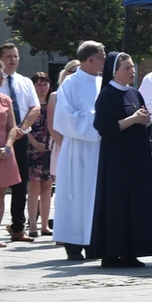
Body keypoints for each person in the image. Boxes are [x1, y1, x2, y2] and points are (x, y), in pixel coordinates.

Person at [89, 52, 152, 268]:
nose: (132, 71)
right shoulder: (107, 95)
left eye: (132, 67)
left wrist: (144, 120)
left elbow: (142, 117)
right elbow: (104, 127)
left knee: (135, 204)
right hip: (117, 159)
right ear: (115, 71)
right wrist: (133, 119)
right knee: (117, 204)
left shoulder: (134, 93)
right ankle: (111, 253)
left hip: (136, 156)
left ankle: (131, 251)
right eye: (127, 68)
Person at [52, 41, 104, 261]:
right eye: (102, 56)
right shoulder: (70, 84)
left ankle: (95, 241)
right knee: (76, 196)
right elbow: (64, 119)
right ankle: (73, 243)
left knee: (96, 196)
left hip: (100, 148)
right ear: (90, 59)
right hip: (77, 149)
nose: (105, 61)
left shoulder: (104, 83)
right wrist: (99, 121)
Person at [0, 43, 40, 243]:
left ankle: (17, 227)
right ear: (0, 58)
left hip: (20, 138)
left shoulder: (24, 82)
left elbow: (35, 107)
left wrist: (21, 128)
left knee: (20, 184)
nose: (13, 60)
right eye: (8, 56)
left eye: (15, 56)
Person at [0, 59, 21, 247]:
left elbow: (12, 127)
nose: (3, 78)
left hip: (4, 153)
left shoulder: (5, 99)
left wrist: (8, 147)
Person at [26, 72, 53, 237]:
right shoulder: (30, 105)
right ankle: (33, 225)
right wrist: (35, 143)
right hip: (32, 148)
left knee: (47, 187)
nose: (42, 88)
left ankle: (45, 225)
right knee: (34, 187)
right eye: (38, 84)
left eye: (45, 84)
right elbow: (23, 126)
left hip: (50, 147)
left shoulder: (53, 103)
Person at [48, 59, 80, 185]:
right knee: (64, 183)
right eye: (75, 71)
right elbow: (52, 126)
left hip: (81, 144)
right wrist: (65, 146)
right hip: (62, 144)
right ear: (66, 73)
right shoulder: (55, 96)